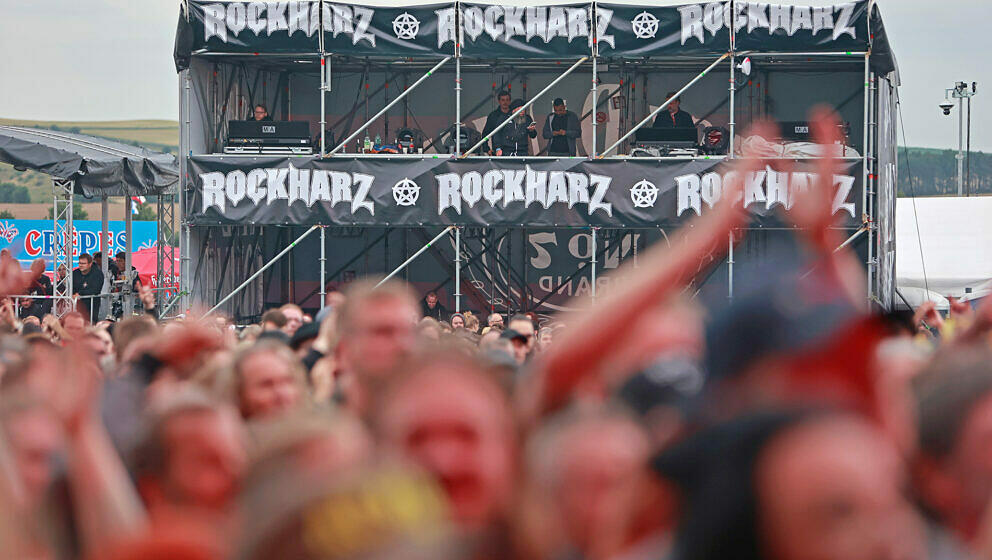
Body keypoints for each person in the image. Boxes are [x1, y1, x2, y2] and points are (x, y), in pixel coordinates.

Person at [72, 253, 104, 322]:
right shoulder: (75, 273)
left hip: (91, 305)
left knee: (90, 324)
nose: (81, 265)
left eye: (83, 263)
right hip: (76, 305)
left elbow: (96, 290)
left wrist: (80, 294)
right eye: (79, 263)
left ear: (90, 264)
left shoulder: (97, 274)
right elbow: (70, 288)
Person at [482, 90, 514, 155]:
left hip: (513, 152)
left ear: (510, 101)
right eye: (503, 100)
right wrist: (487, 149)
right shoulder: (493, 116)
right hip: (498, 152)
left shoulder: (514, 115)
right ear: (499, 101)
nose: (505, 102)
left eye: (507, 100)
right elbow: (485, 134)